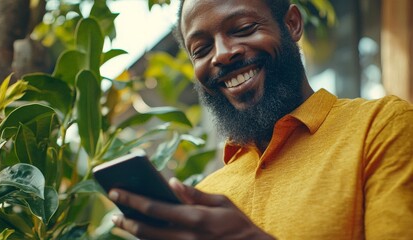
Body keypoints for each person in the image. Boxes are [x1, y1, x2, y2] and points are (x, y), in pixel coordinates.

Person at [107, 0, 413, 239]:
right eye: (201, 49)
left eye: (242, 28)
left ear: (292, 24)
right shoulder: (205, 199)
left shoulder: (382, 126)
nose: (222, 55)